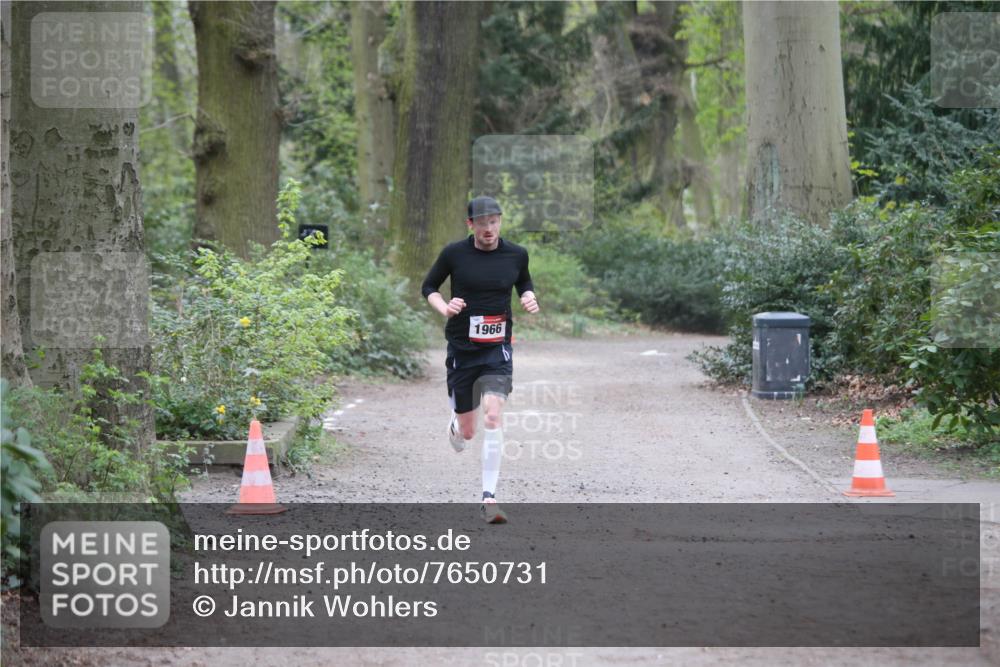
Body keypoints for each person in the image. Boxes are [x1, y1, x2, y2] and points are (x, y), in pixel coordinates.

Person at [421, 196, 539, 523]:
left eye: (494, 221)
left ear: (500, 221)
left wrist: (528, 295)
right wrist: (444, 307)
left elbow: (523, 281)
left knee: (493, 415)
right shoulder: (454, 254)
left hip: (496, 348)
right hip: (462, 349)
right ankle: (457, 426)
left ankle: (489, 498)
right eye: (482, 222)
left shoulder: (516, 254)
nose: (489, 228)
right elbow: (428, 286)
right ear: (470, 224)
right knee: (468, 433)